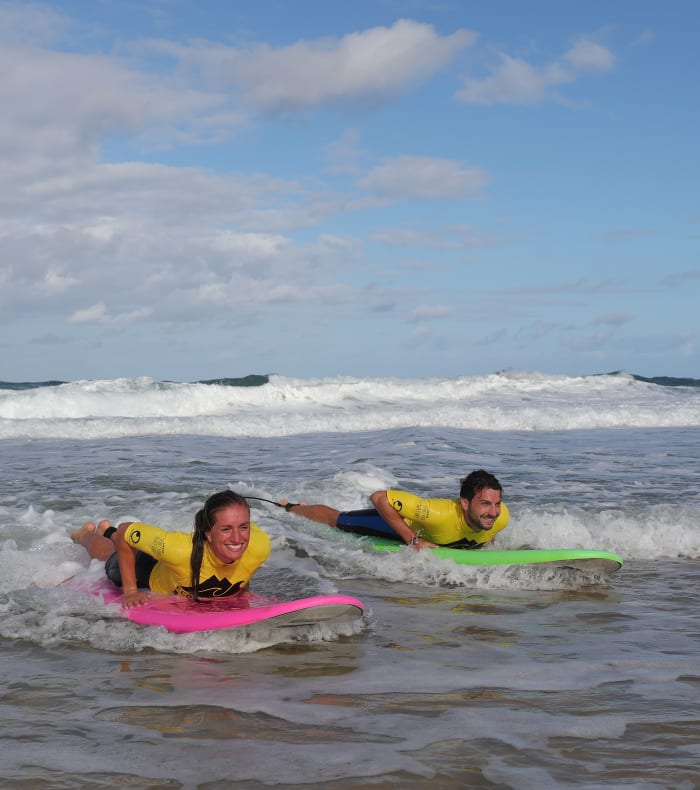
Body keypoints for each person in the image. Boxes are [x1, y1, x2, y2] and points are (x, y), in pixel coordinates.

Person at [71, 490, 270, 608]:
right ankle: (85, 535)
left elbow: (244, 559)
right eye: (226, 529)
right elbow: (125, 532)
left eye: (244, 527)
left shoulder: (258, 544)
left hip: (173, 567)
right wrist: (131, 591)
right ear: (208, 533)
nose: (238, 537)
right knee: (109, 555)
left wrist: (242, 591)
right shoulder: (178, 549)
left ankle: (106, 529)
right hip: (147, 573)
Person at [281, 469, 509, 550]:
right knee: (338, 520)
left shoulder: (501, 517)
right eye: (485, 504)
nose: (493, 511)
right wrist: (411, 539)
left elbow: (491, 526)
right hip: (399, 525)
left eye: (496, 503)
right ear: (465, 504)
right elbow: (379, 497)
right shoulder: (438, 514)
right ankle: (293, 508)